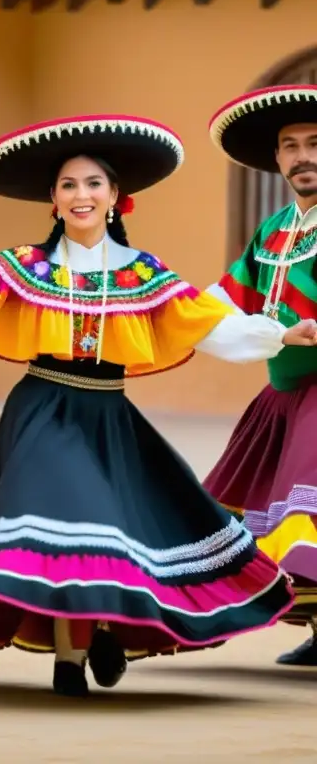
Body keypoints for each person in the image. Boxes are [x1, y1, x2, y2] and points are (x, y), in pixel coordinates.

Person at [0, 114, 305, 697]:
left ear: (116, 197)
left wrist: (278, 334)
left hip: (108, 414)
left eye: (93, 184)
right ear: (53, 201)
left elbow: (207, 327)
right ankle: (70, 662)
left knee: (111, 528)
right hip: (41, 408)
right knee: (67, 516)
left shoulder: (144, 273)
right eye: (67, 185)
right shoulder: (25, 267)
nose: (80, 195)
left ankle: (98, 633)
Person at [203, 84, 317, 666]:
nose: (304, 157)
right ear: (277, 160)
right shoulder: (273, 229)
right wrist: (162, 309)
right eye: (290, 146)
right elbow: (226, 297)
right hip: (284, 394)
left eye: (316, 143)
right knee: (233, 507)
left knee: (309, 504)